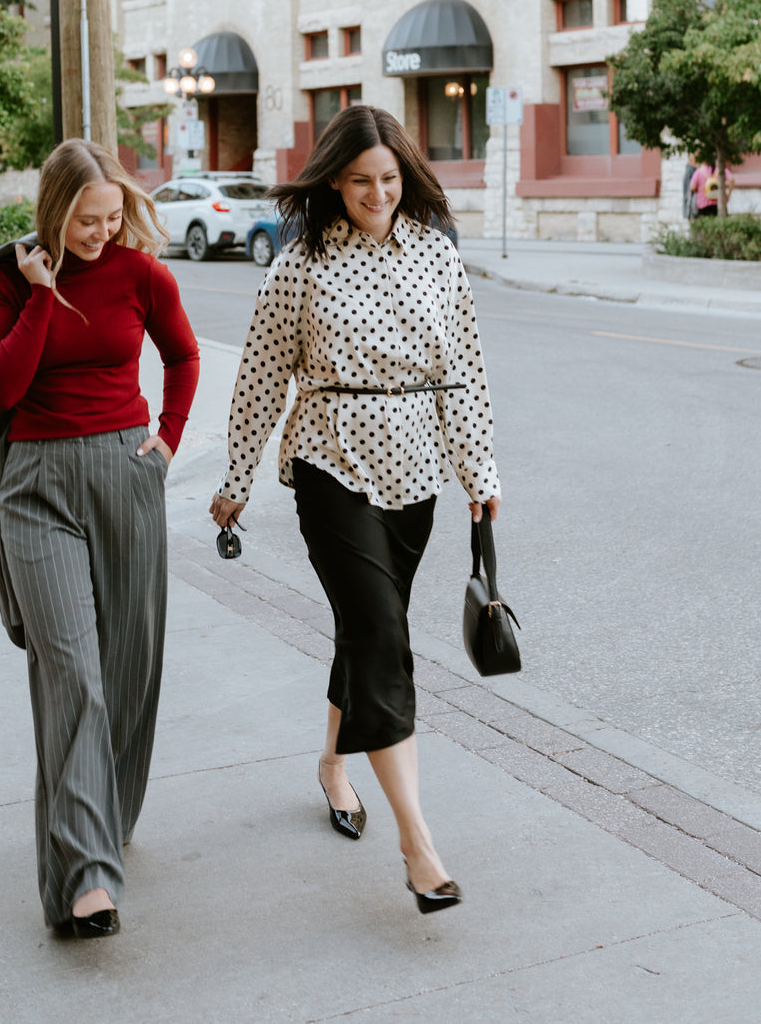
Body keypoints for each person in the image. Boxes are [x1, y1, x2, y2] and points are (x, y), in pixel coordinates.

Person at [210, 105, 500, 914]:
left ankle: (334, 765)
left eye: (391, 179)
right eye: (362, 180)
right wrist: (236, 478)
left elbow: (466, 372)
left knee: (370, 629)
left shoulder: (438, 258)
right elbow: (261, 380)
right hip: (330, 462)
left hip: (418, 473)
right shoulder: (298, 267)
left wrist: (479, 469)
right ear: (333, 181)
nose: (378, 192)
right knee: (381, 633)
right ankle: (419, 845)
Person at [0, 139, 199, 938]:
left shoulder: (142, 274)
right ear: (54, 209)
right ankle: (85, 876)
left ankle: (105, 813)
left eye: (112, 219)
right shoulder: (9, 279)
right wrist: (41, 295)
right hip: (35, 486)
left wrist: (167, 441)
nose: (101, 234)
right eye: (86, 221)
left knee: (129, 666)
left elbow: (183, 355)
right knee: (71, 670)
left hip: (124, 473)